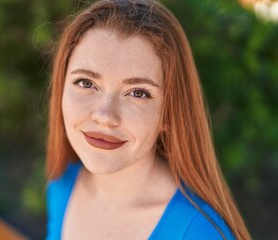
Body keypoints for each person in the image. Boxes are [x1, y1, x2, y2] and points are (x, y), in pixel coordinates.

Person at [45, 0, 251, 239]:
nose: (104, 116)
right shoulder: (62, 186)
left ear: (169, 113)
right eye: (86, 83)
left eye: (138, 93)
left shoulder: (199, 233)